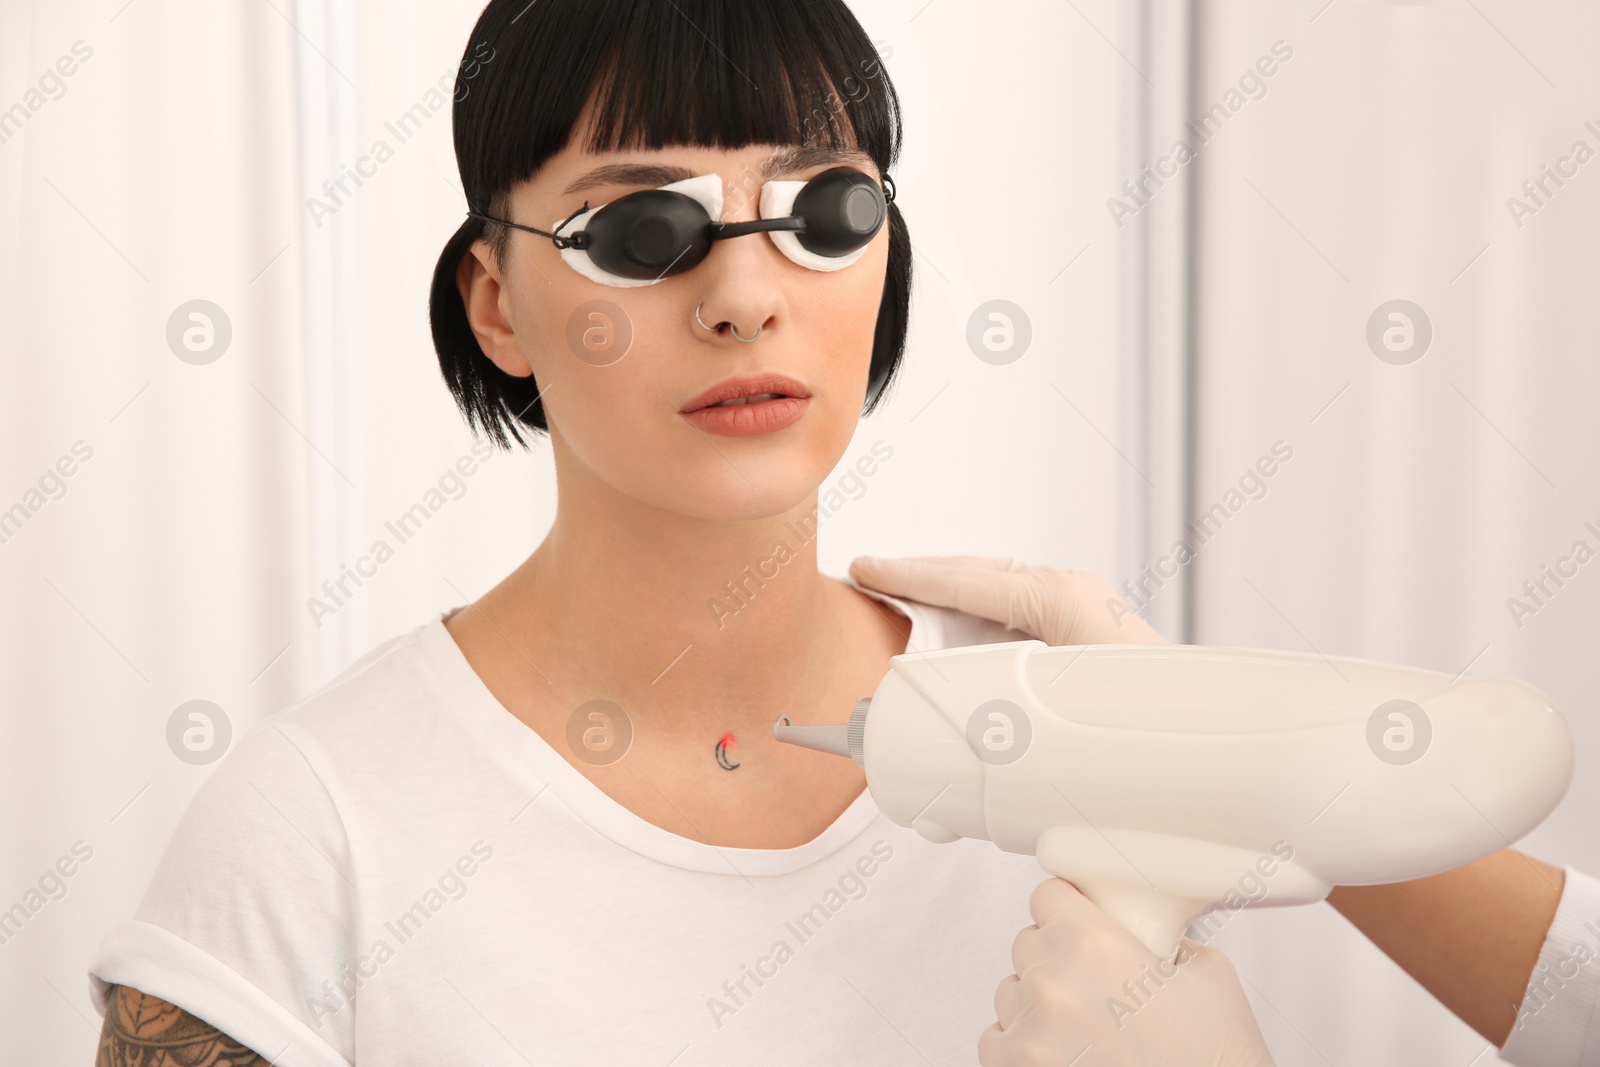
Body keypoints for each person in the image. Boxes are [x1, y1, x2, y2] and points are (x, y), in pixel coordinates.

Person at [82, 2, 1166, 1063]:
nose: (743, 298)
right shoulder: (315, 832)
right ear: (495, 302)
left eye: (824, 210)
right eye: (643, 232)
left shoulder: (1080, 725)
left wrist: (1224, 743)